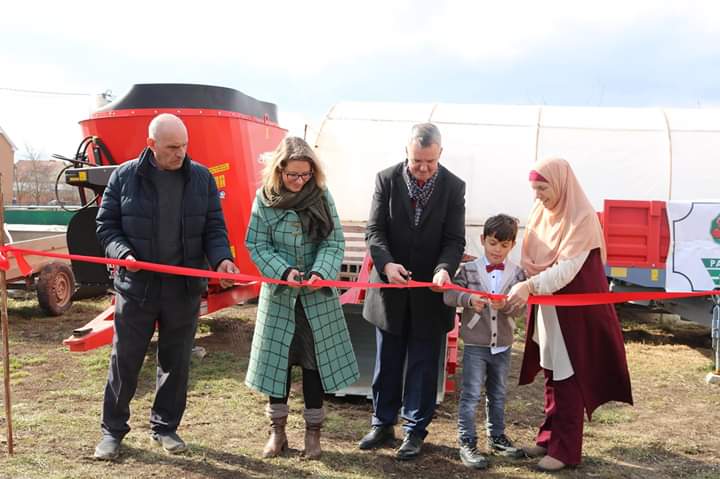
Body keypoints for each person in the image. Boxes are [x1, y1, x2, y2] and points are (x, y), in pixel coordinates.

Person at [93, 113, 240, 460]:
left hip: (184, 288)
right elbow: (106, 226)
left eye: (185, 146)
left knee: (176, 362)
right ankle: (112, 432)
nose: (181, 153)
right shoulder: (125, 177)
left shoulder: (201, 178)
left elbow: (214, 229)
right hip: (137, 287)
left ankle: (165, 427)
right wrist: (123, 253)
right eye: (173, 147)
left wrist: (221, 260)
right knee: (125, 361)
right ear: (151, 145)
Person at [506, 157, 633, 472]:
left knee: (568, 377)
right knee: (552, 374)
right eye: (534, 189)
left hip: (574, 316)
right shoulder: (542, 213)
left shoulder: (582, 218)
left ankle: (565, 451)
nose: (537, 196)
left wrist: (529, 285)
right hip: (550, 311)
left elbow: (566, 271)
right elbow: (533, 258)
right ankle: (549, 438)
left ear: (560, 184)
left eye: (542, 188)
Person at [244, 136, 359, 460]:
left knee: (313, 365)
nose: (299, 181)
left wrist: (319, 272)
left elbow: (333, 241)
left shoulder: (321, 196)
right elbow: (256, 244)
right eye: (293, 175)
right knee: (276, 367)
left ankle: (313, 437)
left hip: (316, 297)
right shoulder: (264, 199)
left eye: (305, 175)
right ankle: (277, 434)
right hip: (279, 296)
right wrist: (284, 272)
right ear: (279, 170)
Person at [359, 123, 466, 460]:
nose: (422, 168)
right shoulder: (386, 179)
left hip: (430, 294)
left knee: (422, 364)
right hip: (390, 290)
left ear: (440, 155)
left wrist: (444, 269)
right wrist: (386, 264)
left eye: (429, 163)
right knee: (387, 360)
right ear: (407, 153)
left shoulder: (453, 187)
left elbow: (454, 239)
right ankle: (382, 423)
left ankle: (415, 430)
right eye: (416, 161)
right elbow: (374, 230)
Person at [443, 214, 525, 469]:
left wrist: (506, 305)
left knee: (498, 393)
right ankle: (467, 441)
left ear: (512, 245)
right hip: (476, 345)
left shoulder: (518, 273)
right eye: (492, 243)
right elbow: (449, 295)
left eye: (503, 245)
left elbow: (520, 310)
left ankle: (497, 437)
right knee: (470, 395)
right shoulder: (468, 269)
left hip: (503, 345)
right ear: (483, 240)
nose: (497, 250)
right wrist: (468, 301)